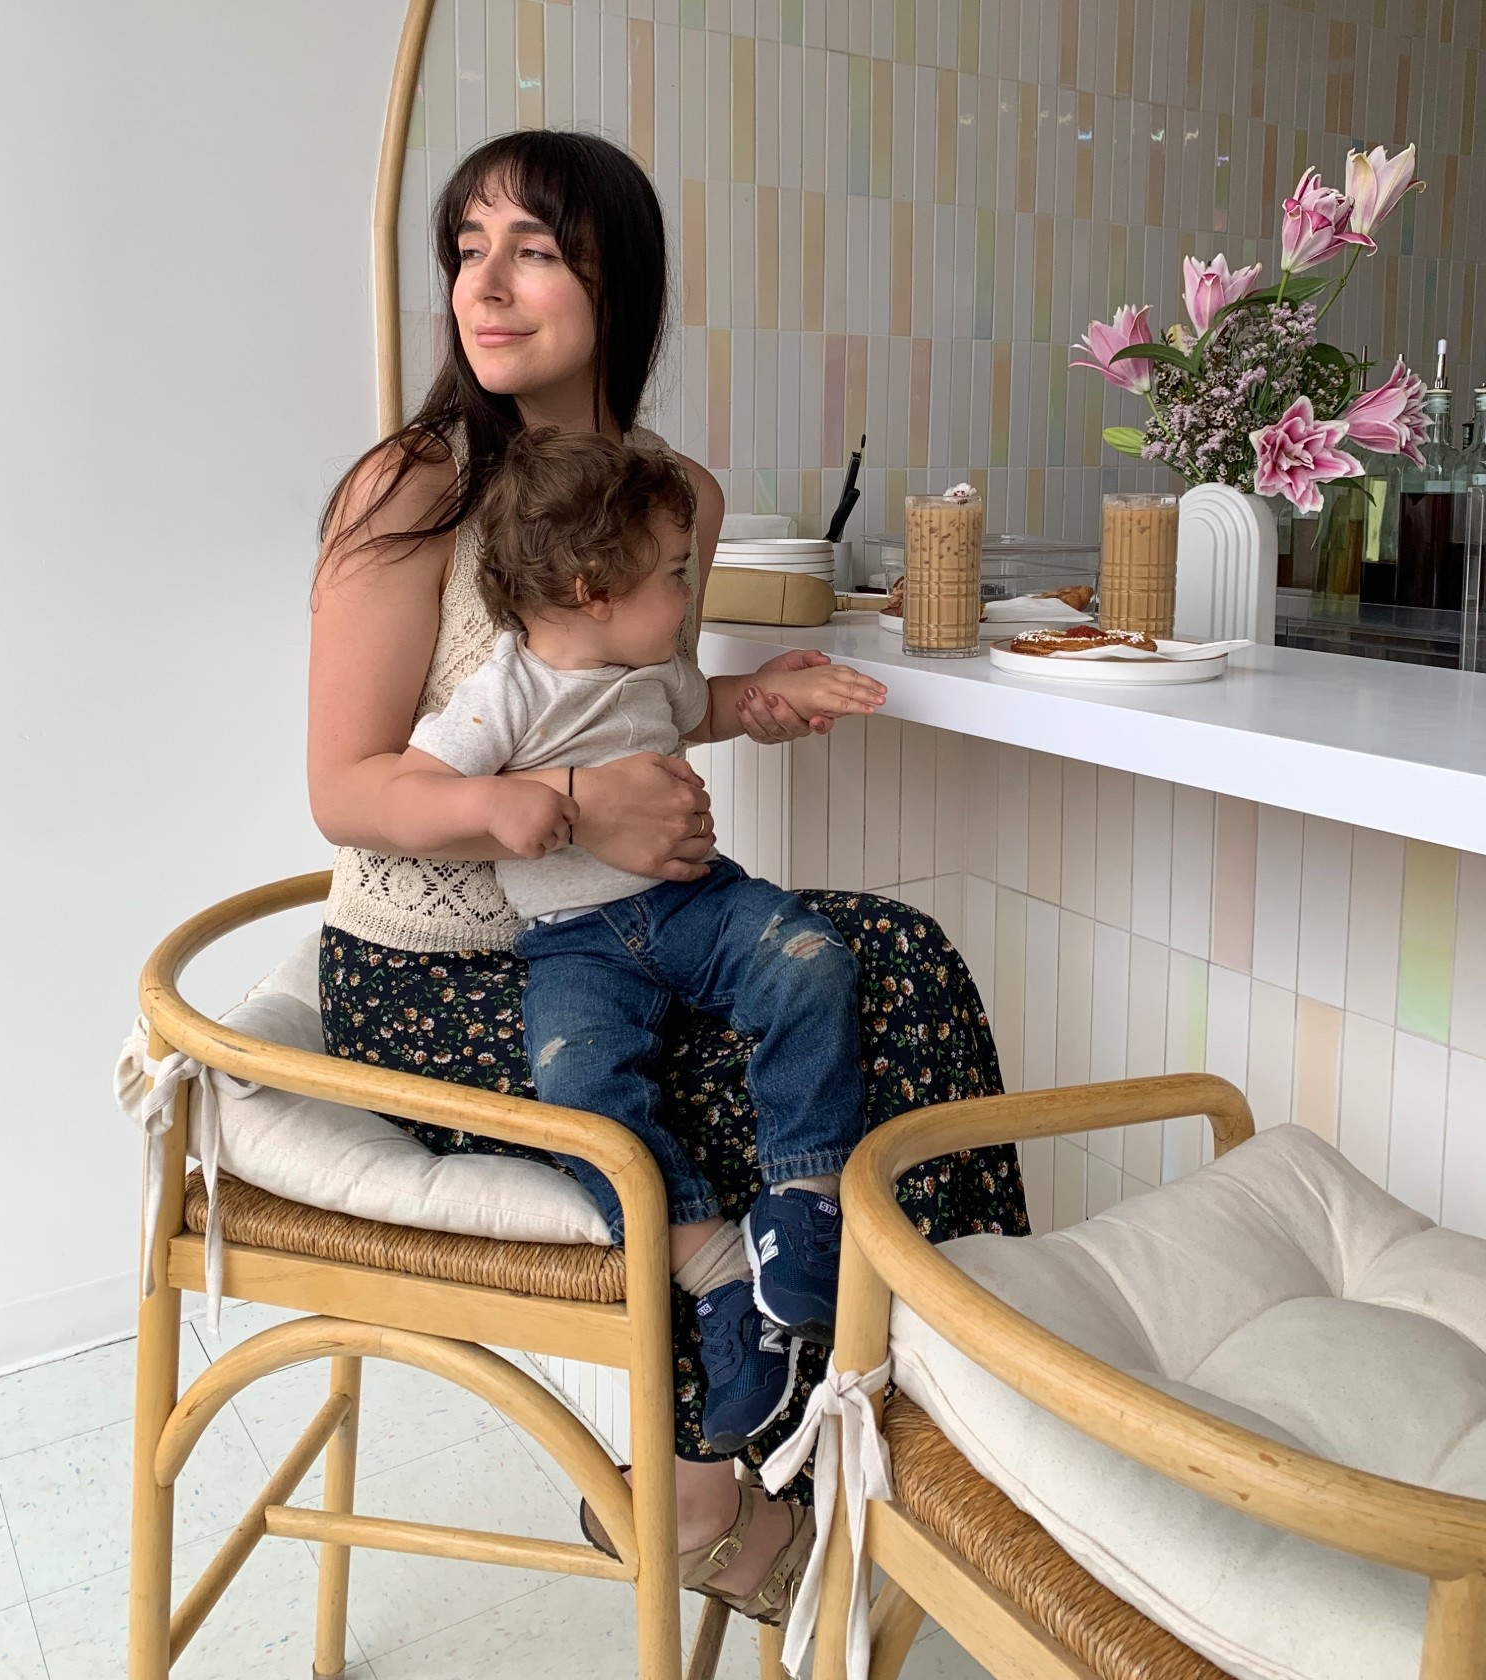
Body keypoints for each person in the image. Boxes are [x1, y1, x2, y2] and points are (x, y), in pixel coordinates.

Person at [309, 128, 1026, 1627]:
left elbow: (646, 701)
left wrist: (757, 695)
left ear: (615, 280)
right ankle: (716, 1483)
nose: (483, 287)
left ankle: (897, 1421)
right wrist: (564, 805)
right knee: (747, 1091)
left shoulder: (672, 494)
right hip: (435, 979)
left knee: (897, 958)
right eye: (464, 249)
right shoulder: (413, 490)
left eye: (534, 250)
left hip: (629, 928)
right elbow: (346, 788)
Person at [382, 425, 882, 1453]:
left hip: (697, 904)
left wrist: (782, 690)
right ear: (592, 586)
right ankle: (715, 1273)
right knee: (583, 1093)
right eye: (677, 575)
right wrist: (511, 797)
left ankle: (804, 1200)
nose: (690, 597)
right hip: (575, 946)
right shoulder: (505, 695)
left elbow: (719, 706)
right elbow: (421, 784)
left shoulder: (652, 668)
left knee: (813, 961)